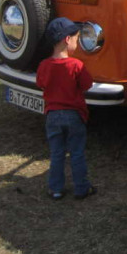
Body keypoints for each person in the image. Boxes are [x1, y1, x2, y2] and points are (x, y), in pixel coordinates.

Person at [36, 17, 96, 201]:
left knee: (57, 153)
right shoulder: (76, 65)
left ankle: (56, 189)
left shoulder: (44, 65)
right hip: (74, 115)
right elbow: (87, 85)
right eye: (76, 38)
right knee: (76, 153)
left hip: (52, 115)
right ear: (67, 39)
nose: (77, 42)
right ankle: (81, 188)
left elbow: (41, 83)